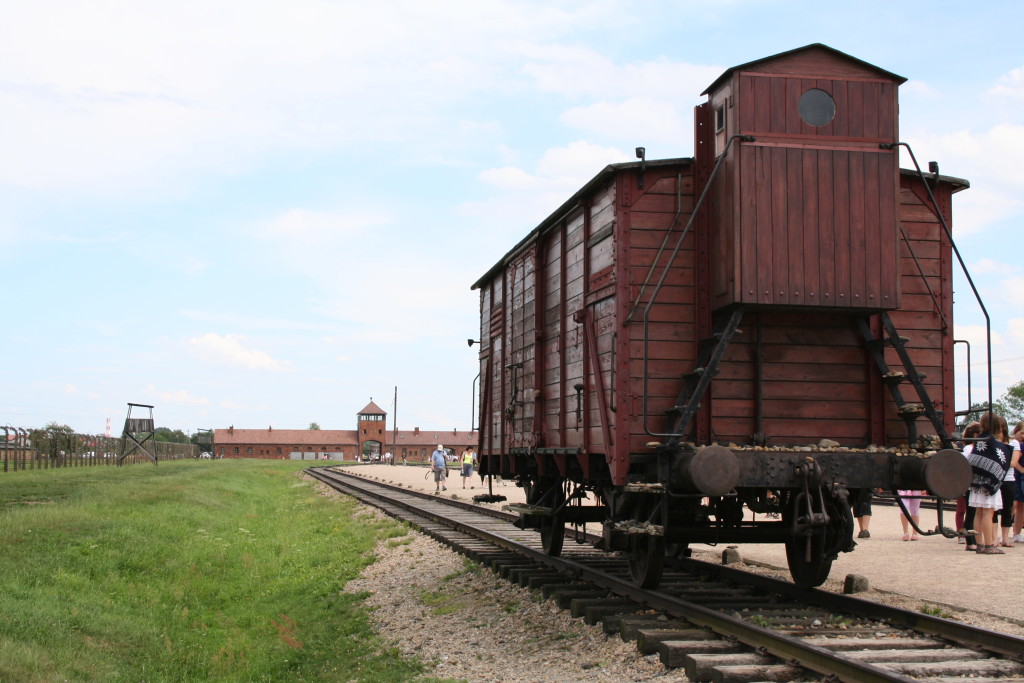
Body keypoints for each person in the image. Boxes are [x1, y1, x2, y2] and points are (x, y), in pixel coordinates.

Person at [967, 413, 1013, 554]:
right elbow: (1003, 459)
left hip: (976, 482)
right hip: (989, 483)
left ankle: (979, 544)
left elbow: (974, 460)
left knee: (978, 513)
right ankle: (989, 545)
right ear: (998, 426)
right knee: (988, 512)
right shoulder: (993, 443)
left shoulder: (978, 441)